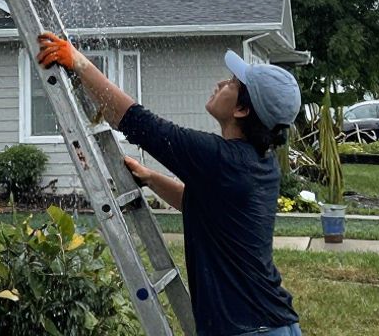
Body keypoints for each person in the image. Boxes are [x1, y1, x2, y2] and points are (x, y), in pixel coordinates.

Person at [37, 33, 303, 336]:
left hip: (248, 329)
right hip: (274, 322)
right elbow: (203, 205)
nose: (221, 84)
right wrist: (151, 179)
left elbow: (138, 122)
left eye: (231, 84)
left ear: (242, 110)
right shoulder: (259, 162)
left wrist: (79, 62)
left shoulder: (219, 158)